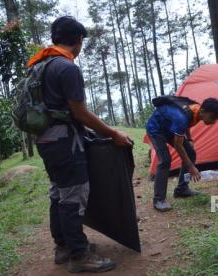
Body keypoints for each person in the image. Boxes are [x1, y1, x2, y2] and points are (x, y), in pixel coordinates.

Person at [28, 16, 132, 273]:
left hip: (45, 139)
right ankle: (79, 255)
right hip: (64, 142)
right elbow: (80, 113)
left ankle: (63, 246)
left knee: (59, 192)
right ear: (78, 40)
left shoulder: (39, 66)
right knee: (73, 195)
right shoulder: (67, 68)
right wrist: (113, 133)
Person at [146, 97, 218, 212]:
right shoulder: (181, 117)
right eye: (212, 118)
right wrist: (191, 167)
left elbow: (187, 124)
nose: (213, 122)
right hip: (156, 129)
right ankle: (159, 200)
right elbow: (178, 145)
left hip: (170, 128)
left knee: (190, 153)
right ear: (203, 111)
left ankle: (181, 189)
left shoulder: (197, 110)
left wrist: (189, 140)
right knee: (165, 160)